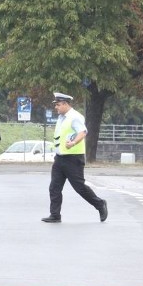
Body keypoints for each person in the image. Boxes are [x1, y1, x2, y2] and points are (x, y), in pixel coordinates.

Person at [41, 92, 108, 224]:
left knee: (79, 187)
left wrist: (73, 143)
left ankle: (100, 204)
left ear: (65, 104)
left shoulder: (75, 117)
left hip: (73, 159)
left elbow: (82, 132)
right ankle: (55, 215)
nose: (56, 107)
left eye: (58, 105)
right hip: (60, 158)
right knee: (54, 187)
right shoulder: (62, 117)